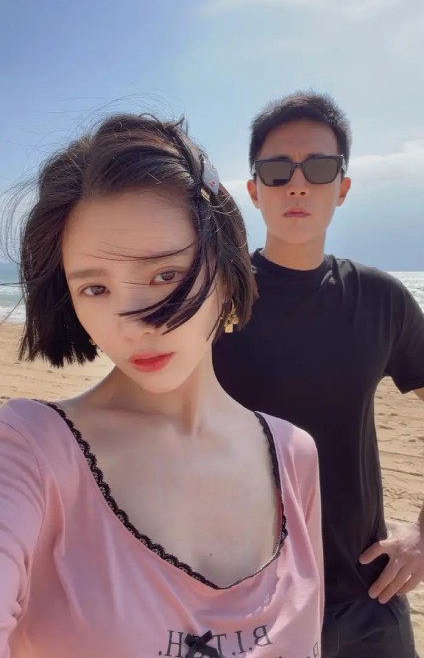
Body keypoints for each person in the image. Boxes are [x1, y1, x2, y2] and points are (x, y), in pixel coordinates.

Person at [0, 113, 323, 658]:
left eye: (165, 275)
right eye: (95, 288)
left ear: (227, 270)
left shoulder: (294, 457)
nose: (133, 323)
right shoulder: (28, 450)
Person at [213, 91, 424, 658]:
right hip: (245, 604)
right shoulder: (213, 302)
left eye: (320, 168)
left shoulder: (381, 299)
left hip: (369, 594)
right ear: (254, 190)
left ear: (343, 188)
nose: (298, 185)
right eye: (277, 171)